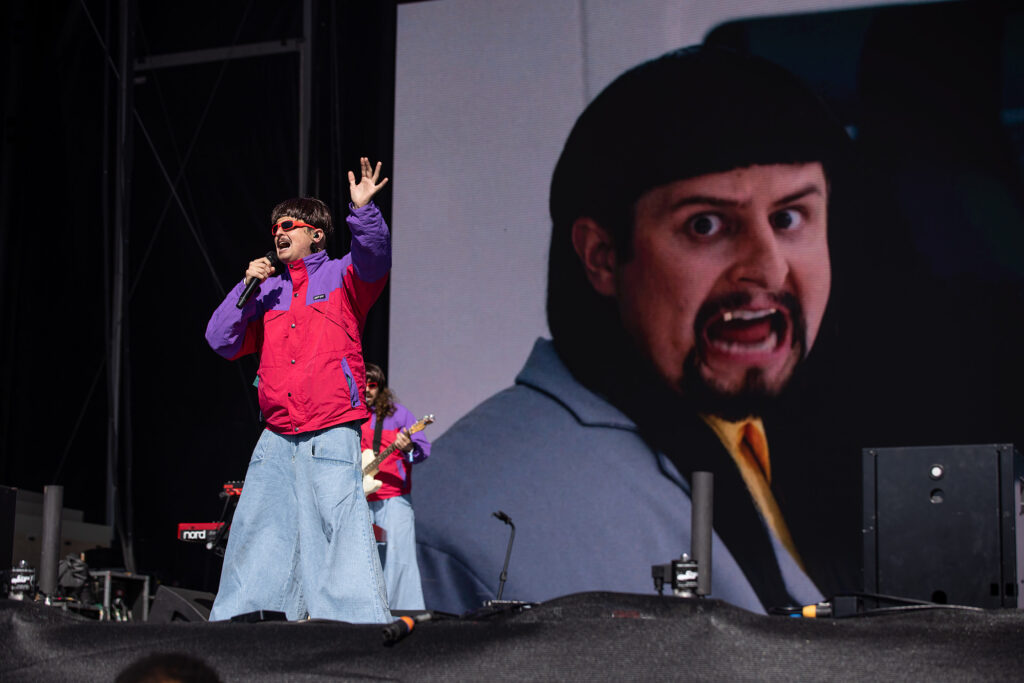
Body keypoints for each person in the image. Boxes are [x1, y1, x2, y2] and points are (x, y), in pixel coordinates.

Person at [413, 46, 853, 615]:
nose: (768, 267)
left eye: (789, 218)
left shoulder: (772, 436)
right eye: (706, 225)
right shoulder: (458, 538)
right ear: (601, 257)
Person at [205, 158, 392, 623]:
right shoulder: (267, 293)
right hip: (277, 435)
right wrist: (246, 285)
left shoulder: (343, 277)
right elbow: (220, 340)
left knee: (338, 532)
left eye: (290, 225)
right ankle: (242, 629)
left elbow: (375, 257)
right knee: (256, 530)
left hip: (329, 431)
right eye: (275, 228)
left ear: (317, 235)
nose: (279, 232)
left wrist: (363, 210)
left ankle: (353, 634)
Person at [361, 362, 432, 610]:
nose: (368, 390)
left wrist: (409, 446)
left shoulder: (399, 415)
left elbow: (423, 452)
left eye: (373, 385)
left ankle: (403, 614)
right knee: (361, 562)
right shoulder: (351, 417)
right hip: (360, 499)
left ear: (380, 388)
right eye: (363, 384)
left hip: (395, 497)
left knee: (400, 559)